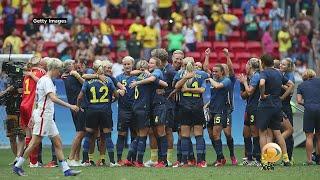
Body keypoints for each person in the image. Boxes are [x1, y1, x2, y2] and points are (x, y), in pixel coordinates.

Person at [13, 58, 81, 176]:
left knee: (58, 142)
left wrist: (33, 115)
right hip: (44, 116)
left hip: (46, 116)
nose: (59, 73)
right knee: (34, 143)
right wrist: (70, 106)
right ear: (53, 69)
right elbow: (53, 98)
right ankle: (18, 166)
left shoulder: (43, 79)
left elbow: (36, 97)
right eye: (59, 70)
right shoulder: (47, 81)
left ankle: (66, 170)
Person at [126, 60, 168, 167]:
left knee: (141, 135)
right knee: (144, 136)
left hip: (140, 107)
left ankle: (130, 159)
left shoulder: (151, 73)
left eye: (151, 63)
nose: (149, 65)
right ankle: (140, 161)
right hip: (144, 108)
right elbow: (164, 84)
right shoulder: (147, 77)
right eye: (148, 63)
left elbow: (133, 73)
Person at [77, 60, 119, 167]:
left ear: (94, 69)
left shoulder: (88, 81)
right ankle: (112, 162)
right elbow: (116, 95)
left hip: (91, 110)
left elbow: (80, 97)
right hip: (105, 110)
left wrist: (78, 106)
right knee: (107, 136)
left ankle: (85, 161)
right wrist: (111, 100)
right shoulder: (108, 80)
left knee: (89, 135)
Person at [257, 54, 294, 170]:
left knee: (263, 133)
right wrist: (282, 97)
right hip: (277, 106)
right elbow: (291, 85)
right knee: (277, 132)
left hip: (265, 106)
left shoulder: (264, 72)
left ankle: (265, 161)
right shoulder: (278, 72)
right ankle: (286, 158)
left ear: (263, 62)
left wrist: (262, 95)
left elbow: (262, 83)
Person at [174, 57, 207, 168]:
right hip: (197, 107)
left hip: (184, 107)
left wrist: (185, 83)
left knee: (184, 136)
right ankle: (201, 161)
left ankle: (184, 161)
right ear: (194, 64)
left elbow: (176, 87)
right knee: (198, 135)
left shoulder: (180, 74)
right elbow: (203, 90)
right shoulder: (202, 74)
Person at [61, 60, 85, 167]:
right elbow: (86, 85)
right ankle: (71, 158)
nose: (75, 66)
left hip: (74, 107)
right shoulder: (72, 77)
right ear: (69, 67)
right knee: (80, 132)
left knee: (79, 132)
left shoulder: (66, 78)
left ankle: (77, 158)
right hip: (79, 107)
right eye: (72, 64)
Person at [239, 58, 261, 166]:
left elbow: (249, 91)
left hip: (255, 108)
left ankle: (258, 158)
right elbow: (243, 95)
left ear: (250, 66)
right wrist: (243, 83)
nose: (245, 67)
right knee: (246, 133)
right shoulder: (249, 77)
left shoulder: (257, 76)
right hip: (249, 108)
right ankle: (249, 157)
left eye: (246, 65)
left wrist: (244, 82)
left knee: (254, 132)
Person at [115, 56, 137, 166]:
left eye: (129, 64)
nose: (127, 66)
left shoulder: (138, 77)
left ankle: (132, 159)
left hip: (136, 110)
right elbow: (112, 91)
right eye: (125, 64)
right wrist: (118, 90)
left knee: (135, 134)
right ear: (122, 65)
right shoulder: (118, 78)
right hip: (123, 110)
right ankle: (119, 159)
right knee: (121, 134)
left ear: (133, 65)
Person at [296, 69, 320, 165]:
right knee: (319, 136)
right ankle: (318, 159)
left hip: (309, 110)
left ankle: (309, 160)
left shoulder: (301, 85)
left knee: (309, 136)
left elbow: (298, 101)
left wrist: (307, 104)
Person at [279, 58, 295, 162]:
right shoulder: (281, 74)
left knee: (288, 132)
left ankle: (289, 157)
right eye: (281, 64)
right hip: (279, 106)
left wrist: (280, 84)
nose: (281, 65)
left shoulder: (290, 76)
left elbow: (291, 90)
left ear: (288, 67)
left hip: (285, 106)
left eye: (284, 65)